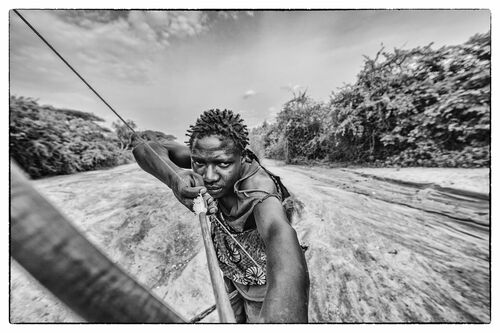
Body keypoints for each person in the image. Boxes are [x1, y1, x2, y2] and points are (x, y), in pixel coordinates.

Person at [132, 109, 309, 323]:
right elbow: (144, 148)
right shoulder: (209, 156)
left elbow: (279, 234)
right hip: (231, 272)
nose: (208, 176)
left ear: (243, 157)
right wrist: (174, 177)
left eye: (223, 164)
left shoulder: (258, 193)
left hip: (262, 287)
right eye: (199, 163)